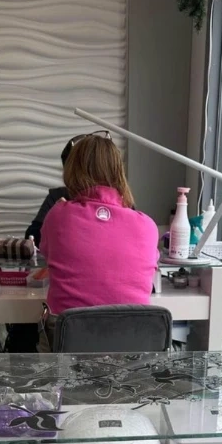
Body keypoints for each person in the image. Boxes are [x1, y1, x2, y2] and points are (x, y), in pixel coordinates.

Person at [40, 131, 158, 316]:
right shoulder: (148, 226)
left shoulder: (58, 216)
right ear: (119, 172)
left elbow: (46, 252)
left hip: (72, 333)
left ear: (71, 172)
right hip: (134, 333)